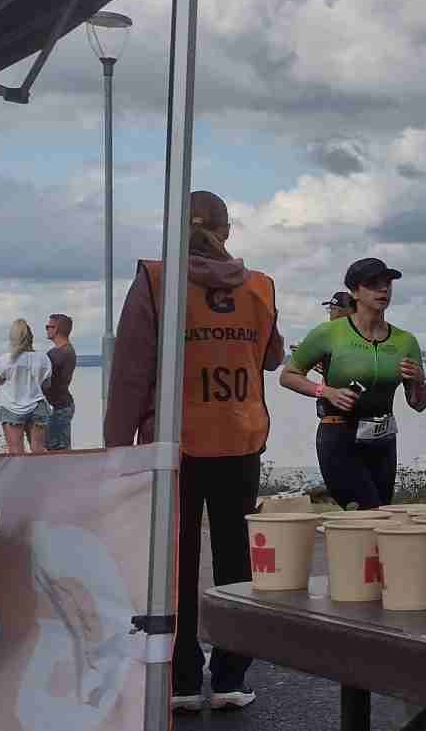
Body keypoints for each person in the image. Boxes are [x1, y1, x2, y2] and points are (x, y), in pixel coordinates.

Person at [103, 190, 284, 712]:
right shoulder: (259, 285)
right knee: (235, 561)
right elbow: (273, 356)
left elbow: (131, 372)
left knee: (175, 564)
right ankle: (230, 677)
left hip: (174, 444)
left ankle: (181, 680)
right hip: (240, 439)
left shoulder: (156, 280)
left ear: (174, 230)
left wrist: (117, 451)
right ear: (226, 230)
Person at [278, 258, 426, 511]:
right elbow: (289, 375)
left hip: (383, 441)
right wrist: (326, 391)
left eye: (387, 283)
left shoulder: (405, 341)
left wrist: (419, 382)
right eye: (373, 284)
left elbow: (419, 404)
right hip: (339, 435)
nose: (383, 289)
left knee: (380, 515)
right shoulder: (329, 333)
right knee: (367, 512)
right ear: (355, 292)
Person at [0, 318, 51, 453]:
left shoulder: (6, 359)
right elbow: (47, 385)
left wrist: (8, 377)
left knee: (16, 451)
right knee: (38, 450)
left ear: (13, 338)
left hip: (11, 408)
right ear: (31, 337)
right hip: (37, 406)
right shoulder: (43, 358)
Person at [42, 313, 77, 451]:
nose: (46, 329)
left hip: (59, 408)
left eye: (48, 326)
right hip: (63, 405)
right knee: (60, 448)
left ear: (56, 329)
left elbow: (45, 381)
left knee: (56, 449)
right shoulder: (67, 350)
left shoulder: (57, 354)